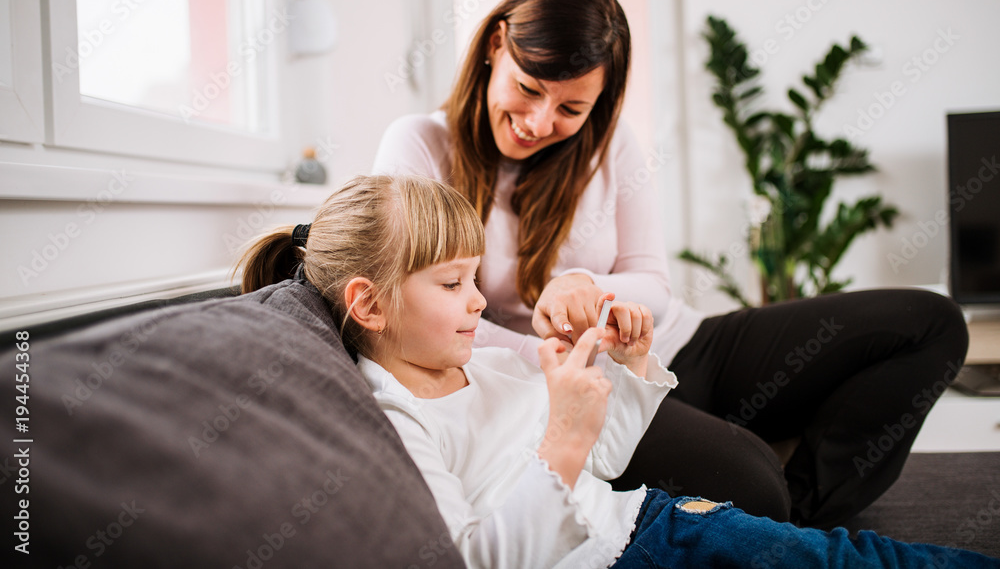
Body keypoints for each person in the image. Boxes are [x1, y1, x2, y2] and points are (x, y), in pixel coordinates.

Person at [372, 0, 970, 527]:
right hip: (580, 387)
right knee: (758, 488)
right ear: (495, 44)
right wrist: (552, 357)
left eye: (571, 108)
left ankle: (800, 514)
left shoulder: (610, 146)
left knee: (931, 323)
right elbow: (421, 313)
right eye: (528, 89)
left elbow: (651, 287)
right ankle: (770, 506)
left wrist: (579, 283)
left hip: (679, 346)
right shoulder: (419, 148)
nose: (538, 120)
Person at [235, 174, 998, 569]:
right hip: (632, 548)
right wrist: (561, 438)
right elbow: (484, 560)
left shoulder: (473, 373)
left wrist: (631, 369)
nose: (480, 303)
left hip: (646, 517)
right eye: (451, 284)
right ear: (368, 304)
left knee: (854, 558)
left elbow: (605, 453)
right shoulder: (396, 416)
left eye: (475, 278)